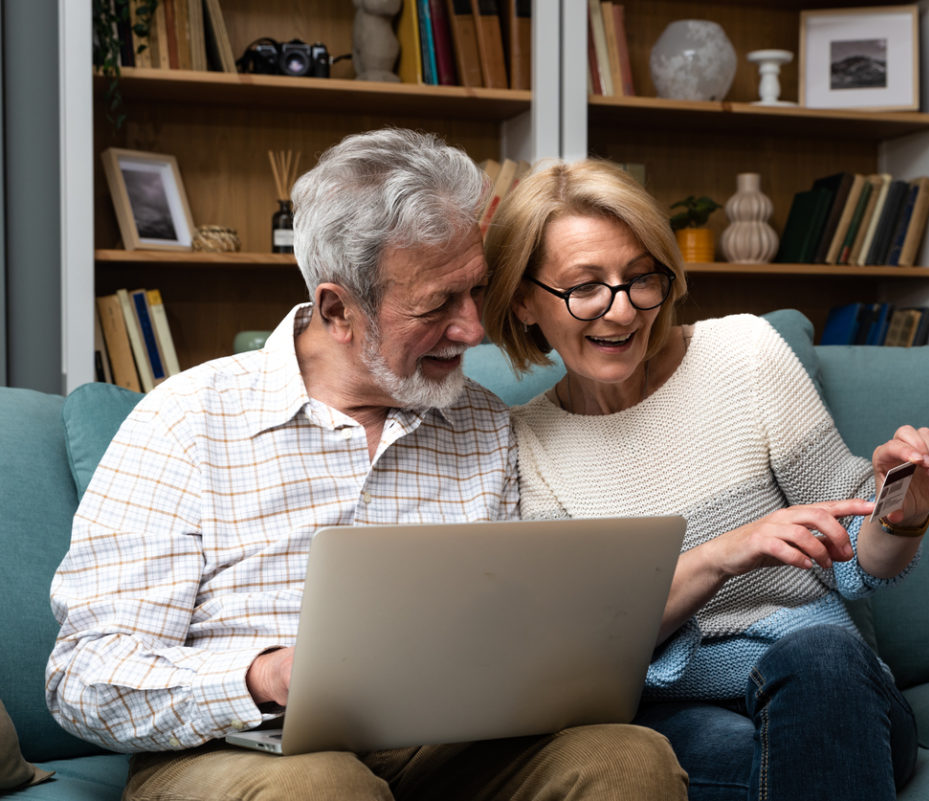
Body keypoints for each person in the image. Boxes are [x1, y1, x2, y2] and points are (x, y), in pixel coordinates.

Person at [46, 130, 687, 801]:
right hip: (241, 747)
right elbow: (83, 677)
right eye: (439, 304)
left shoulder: (485, 423)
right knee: (322, 785)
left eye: (476, 291)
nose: (472, 328)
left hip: (443, 744)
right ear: (337, 310)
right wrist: (264, 675)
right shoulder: (185, 420)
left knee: (625, 757)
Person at [481, 159, 929, 801]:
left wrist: (904, 510)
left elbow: (859, 562)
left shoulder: (747, 354)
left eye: (640, 278)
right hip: (674, 716)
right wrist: (721, 556)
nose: (621, 312)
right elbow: (583, 647)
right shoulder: (523, 445)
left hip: (831, 685)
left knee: (821, 658)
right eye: (585, 287)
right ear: (522, 299)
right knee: (666, 758)